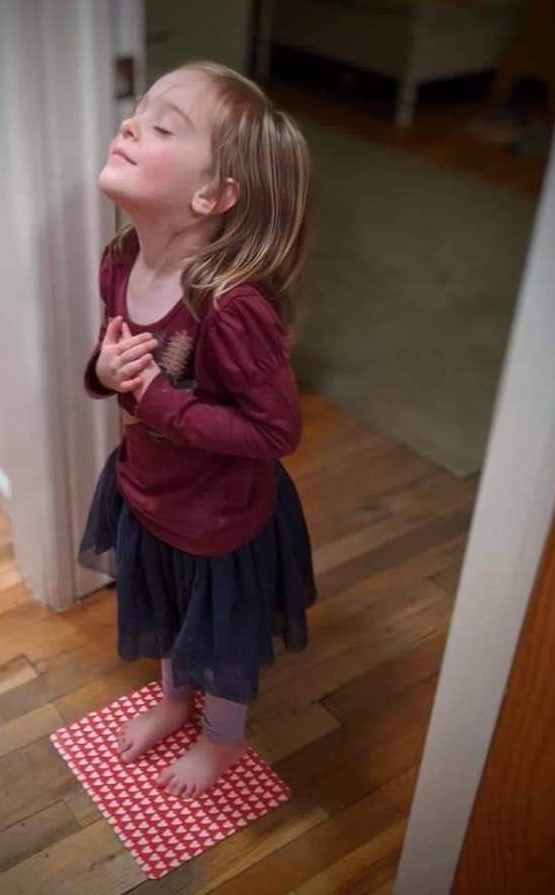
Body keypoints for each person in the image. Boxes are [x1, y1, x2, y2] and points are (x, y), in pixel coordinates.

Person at [78, 60, 320, 800]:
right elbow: (117, 368)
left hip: (221, 519)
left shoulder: (232, 308)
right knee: (166, 608)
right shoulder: (120, 261)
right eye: (139, 111)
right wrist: (104, 371)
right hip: (149, 492)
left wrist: (158, 403)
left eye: (162, 126)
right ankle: (173, 701)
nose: (130, 124)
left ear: (212, 196)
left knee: (219, 632)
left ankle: (223, 737)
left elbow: (277, 431)